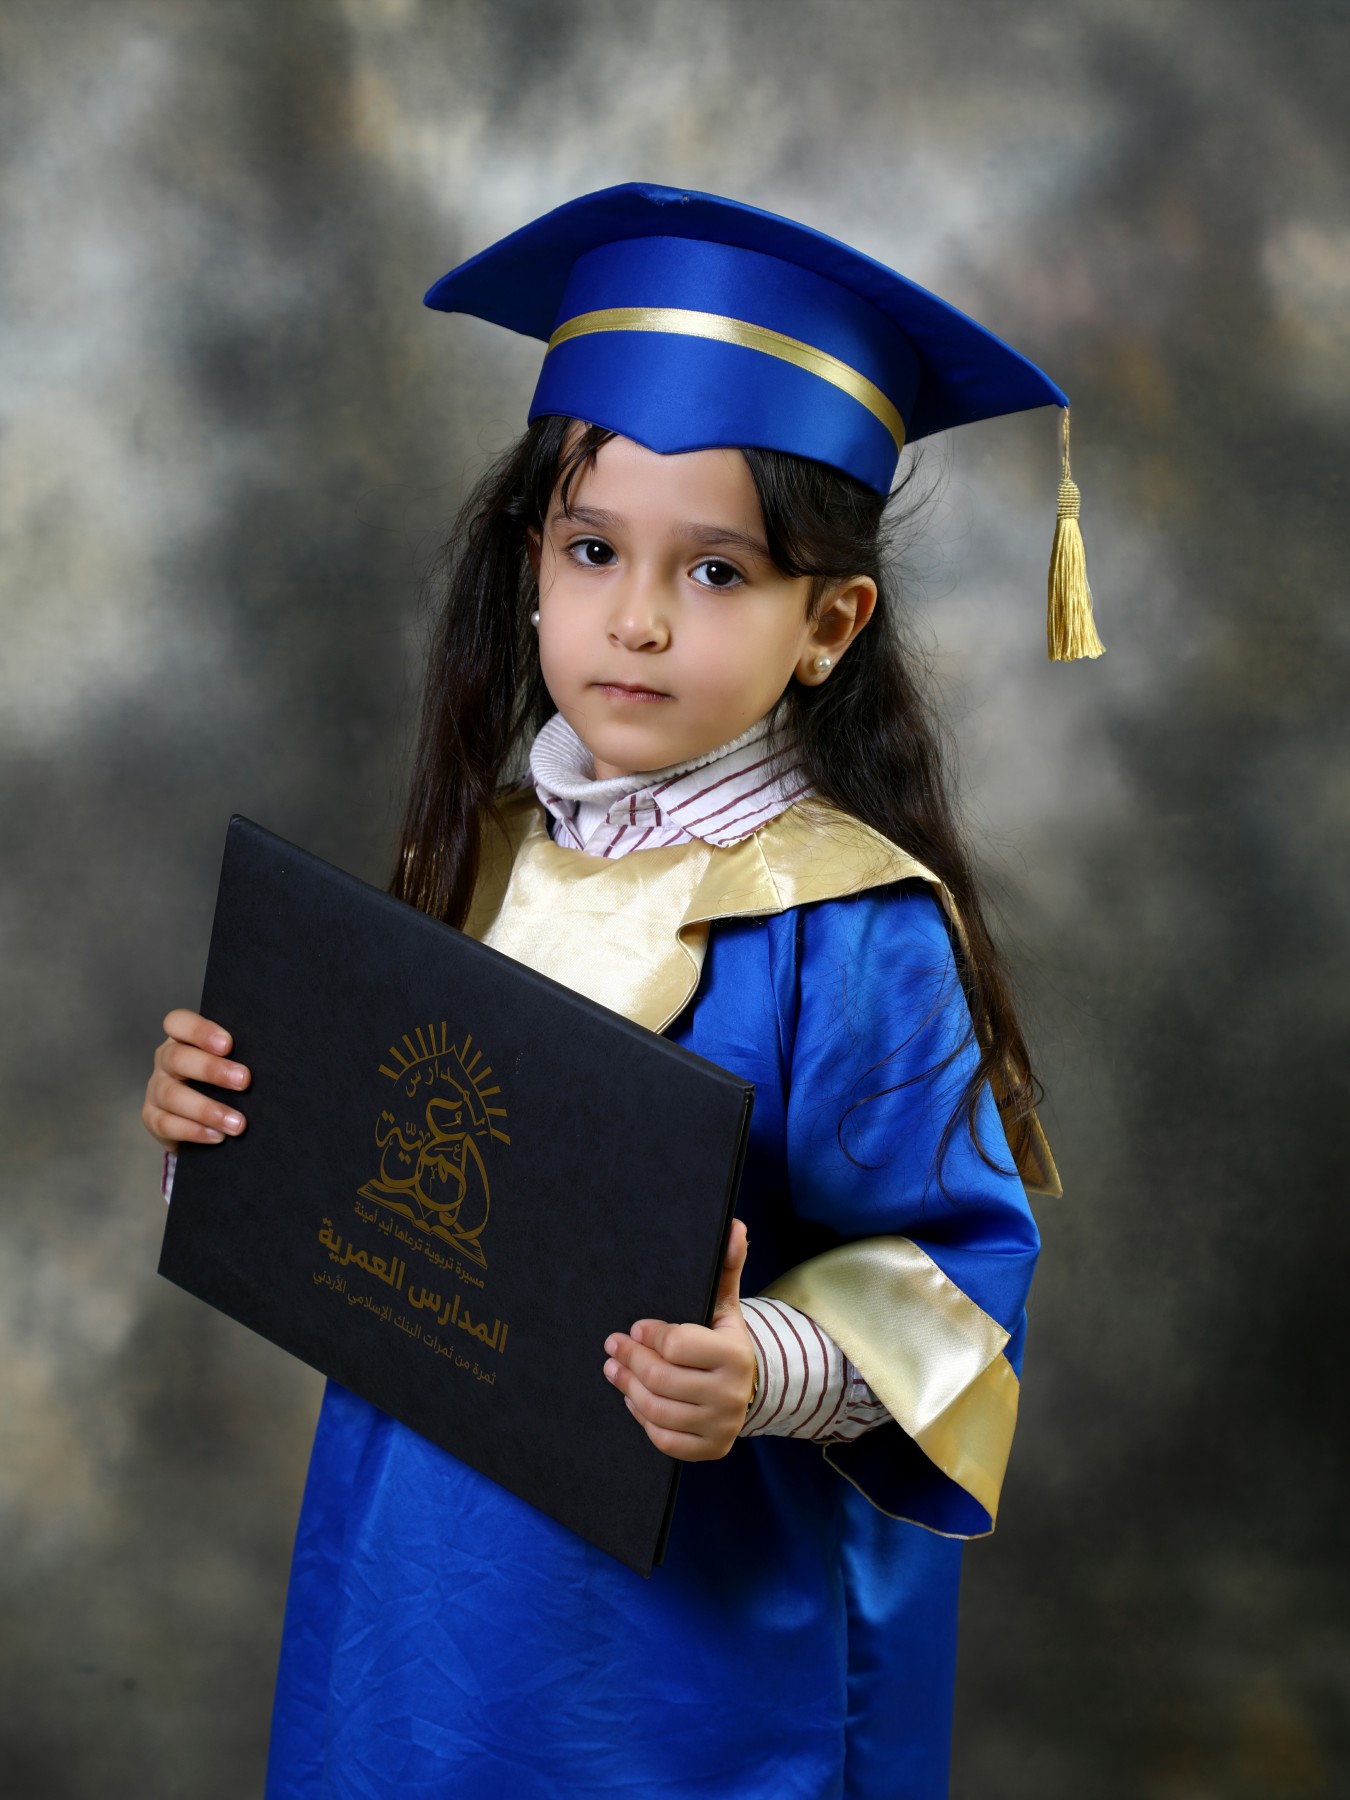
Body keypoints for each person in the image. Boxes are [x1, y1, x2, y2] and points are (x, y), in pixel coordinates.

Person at [141, 184, 1098, 1799]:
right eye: (592, 550)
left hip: (678, 1633)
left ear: (828, 624)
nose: (636, 620)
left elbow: (953, 1270)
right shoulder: (479, 844)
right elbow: (382, 1176)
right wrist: (225, 1127)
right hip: (417, 1569)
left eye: (717, 573)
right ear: (534, 565)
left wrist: (763, 1365)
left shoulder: (847, 927)